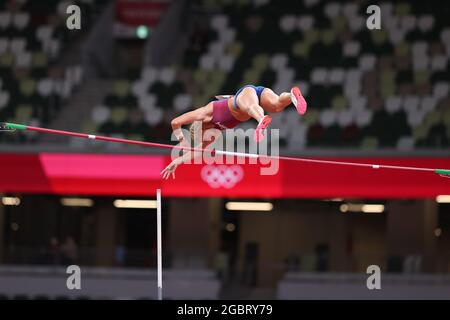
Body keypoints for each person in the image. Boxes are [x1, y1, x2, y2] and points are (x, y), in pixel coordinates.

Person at [161, 85, 307, 179]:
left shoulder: (204, 114)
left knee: (250, 107)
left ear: (199, 127)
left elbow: (175, 122)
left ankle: (261, 120)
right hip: (258, 93)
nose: (204, 139)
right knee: (276, 105)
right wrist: (177, 161)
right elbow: (199, 151)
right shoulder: (212, 134)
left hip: (242, 97)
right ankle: (292, 96)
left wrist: (181, 140)